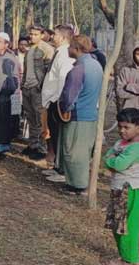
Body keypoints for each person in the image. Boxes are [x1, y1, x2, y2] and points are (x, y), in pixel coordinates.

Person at [56, 34, 102, 194]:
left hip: (78, 115)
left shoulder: (78, 70)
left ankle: (76, 185)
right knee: (83, 151)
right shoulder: (96, 65)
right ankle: (79, 183)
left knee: (74, 151)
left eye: (69, 47)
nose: (68, 49)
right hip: (91, 115)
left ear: (76, 49)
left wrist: (64, 109)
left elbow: (69, 96)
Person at [104, 108, 139, 265]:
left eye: (127, 127)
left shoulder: (136, 147)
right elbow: (106, 157)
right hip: (118, 189)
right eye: (120, 126)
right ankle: (124, 255)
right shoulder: (121, 143)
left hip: (130, 190)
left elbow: (119, 164)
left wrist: (112, 161)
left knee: (127, 226)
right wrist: (112, 161)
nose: (122, 130)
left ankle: (130, 260)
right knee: (117, 224)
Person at [41, 25, 76, 176]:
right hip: (52, 100)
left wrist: (58, 101)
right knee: (54, 135)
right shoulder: (58, 52)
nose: (52, 37)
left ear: (62, 37)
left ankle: (61, 170)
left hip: (57, 102)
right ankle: (56, 166)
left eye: (55, 35)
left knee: (59, 136)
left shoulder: (65, 54)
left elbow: (63, 78)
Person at [22, 25, 55, 159]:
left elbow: (49, 70)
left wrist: (42, 87)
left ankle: (42, 149)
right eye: (31, 34)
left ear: (42, 35)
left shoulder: (46, 49)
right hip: (27, 87)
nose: (32, 36)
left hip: (38, 89)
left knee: (40, 119)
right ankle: (33, 145)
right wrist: (23, 84)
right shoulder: (29, 50)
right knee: (30, 118)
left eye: (35, 34)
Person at [118, 44, 139, 110]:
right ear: (133, 55)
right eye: (138, 54)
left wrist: (129, 86)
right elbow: (120, 93)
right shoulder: (125, 70)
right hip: (129, 111)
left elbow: (125, 88)